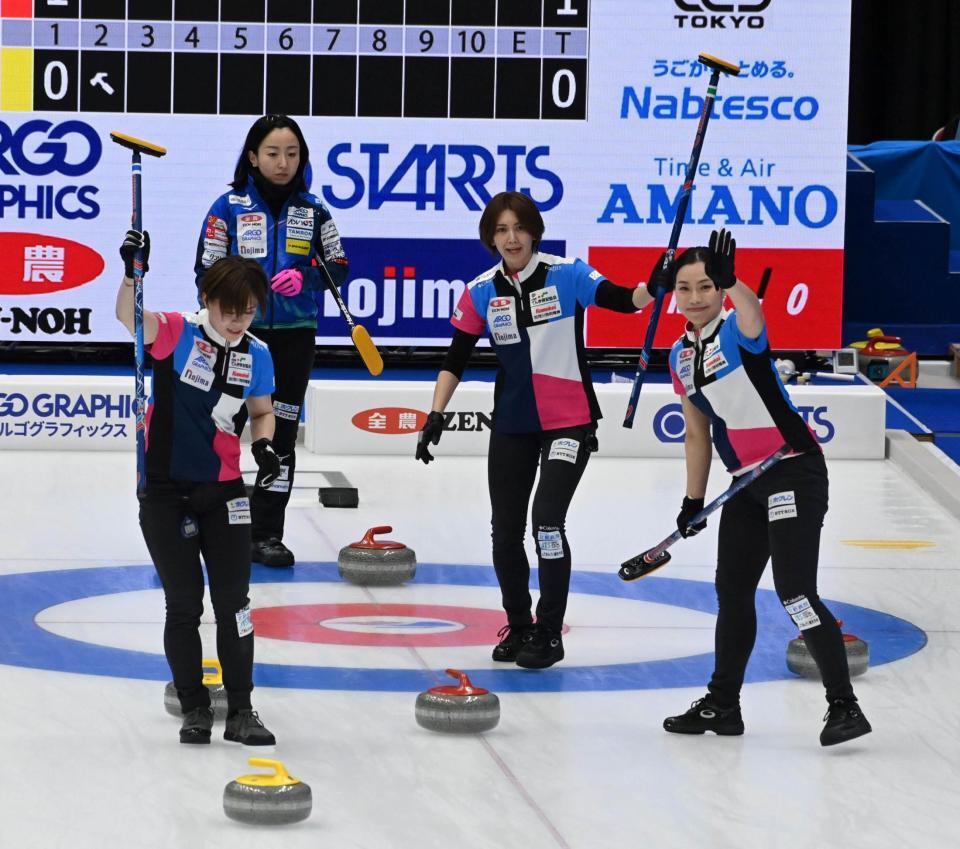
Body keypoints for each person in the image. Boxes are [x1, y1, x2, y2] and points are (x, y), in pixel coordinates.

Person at [415, 191, 660, 669]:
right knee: (505, 532)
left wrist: (653, 286)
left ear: (534, 232)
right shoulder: (481, 290)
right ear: (490, 238)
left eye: (519, 228)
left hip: (569, 421)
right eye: (501, 230)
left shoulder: (567, 274)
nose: (512, 238)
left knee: (546, 521)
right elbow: (455, 358)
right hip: (512, 424)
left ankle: (549, 632)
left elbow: (624, 301)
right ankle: (520, 625)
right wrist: (435, 414)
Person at [660, 229, 871, 747]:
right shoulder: (680, 355)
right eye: (685, 288)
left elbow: (753, 313)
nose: (695, 297)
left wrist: (735, 283)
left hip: (792, 470)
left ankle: (844, 706)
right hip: (745, 485)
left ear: (719, 289)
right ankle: (722, 705)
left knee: (794, 591)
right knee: (731, 592)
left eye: (706, 286)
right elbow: (696, 433)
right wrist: (692, 500)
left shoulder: (738, 329)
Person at [117, 230, 281, 746]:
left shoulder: (258, 353)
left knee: (235, 603)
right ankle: (194, 707)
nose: (237, 321)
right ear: (206, 299)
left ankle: (242, 710)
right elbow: (128, 317)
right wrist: (132, 272)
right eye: (229, 310)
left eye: (247, 312)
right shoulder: (175, 331)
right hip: (164, 490)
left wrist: (264, 445)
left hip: (225, 490)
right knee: (184, 603)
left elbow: (262, 411)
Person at [195, 114, 349, 567]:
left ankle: (266, 534)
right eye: (273, 153)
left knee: (280, 436)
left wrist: (307, 278)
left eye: (292, 154)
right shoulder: (227, 207)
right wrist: (241, 292)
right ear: (252, 157)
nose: (283, 163)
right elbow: (205, 271)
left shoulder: (314, 209)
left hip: (295, 339)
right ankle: (210, 526)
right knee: (222, 426)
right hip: (236, 337)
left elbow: (339, 266)